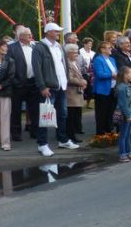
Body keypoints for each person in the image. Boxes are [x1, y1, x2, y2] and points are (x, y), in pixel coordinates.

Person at [32, 23, 78, 156]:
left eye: (59, 31)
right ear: (48, 32)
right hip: (49, 87)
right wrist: (42, 86)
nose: (59, 33)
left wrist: (67, 81)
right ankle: (42, 144)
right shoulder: (40, 48)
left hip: (61, 86)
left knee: (62, 114)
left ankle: (62, 139)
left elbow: (65, 65)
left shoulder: (59, 47)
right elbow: (37, 68)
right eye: (56, 31)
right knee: (46, 116)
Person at [8, 26, 39, 142]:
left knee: (34, 110)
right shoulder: (11, 48)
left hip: (33, 82)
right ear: (20, 36)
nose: (30, 36)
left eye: (30, 34)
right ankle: (16, 133)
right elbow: (9, 67)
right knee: (16, 110)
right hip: (18, 84)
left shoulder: (35, 46)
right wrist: (14, 81)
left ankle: (35, 131)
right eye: (27, 34)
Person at [92, 41, 118, 136]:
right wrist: (113, 75)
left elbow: (116, 71)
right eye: (108, 47)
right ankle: (100, 132)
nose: (111, 49)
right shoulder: (98, 60)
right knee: (101, 112)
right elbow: (100, 74)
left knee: (110, 111)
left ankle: (108, 129)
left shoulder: (112, 59)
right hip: (102, 89)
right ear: (102, 49)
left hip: (112, 88)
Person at [65, 44, 87, 144]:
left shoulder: (75, 63)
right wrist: (81, 82)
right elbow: (69, 78)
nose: (77, 54)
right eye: (75, 52)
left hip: (77, 93)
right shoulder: (67, 63)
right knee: (71, 117)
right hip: (70, 94)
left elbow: (79, 75)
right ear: (68, 53)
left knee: (75, 115)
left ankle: (73, 134)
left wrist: (83, 81)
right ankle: (70, 136)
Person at [115, 66, 131, 162]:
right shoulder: (121, 88)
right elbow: (123, 104)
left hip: (130, 114)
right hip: (124, 115)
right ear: (125, 75)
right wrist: (128, 115)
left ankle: (128, 152)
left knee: (128, 135)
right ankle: (122, 154)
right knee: (123, 135)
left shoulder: (129, 86)